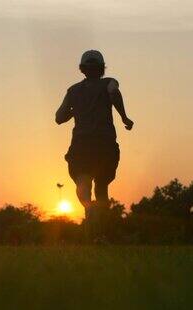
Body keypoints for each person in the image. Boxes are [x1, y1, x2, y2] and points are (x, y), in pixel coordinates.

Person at [55, 50, 134, 217]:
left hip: (81, 145)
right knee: (102, 186)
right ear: (102, 68)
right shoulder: (109, 82)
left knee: (83, 183)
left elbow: (59, 117)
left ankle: (89, 209)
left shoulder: (73, 91)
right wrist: (124, 118)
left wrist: (75, 109)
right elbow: (113, 92)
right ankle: (101, 229)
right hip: (104, 144)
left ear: (82, 69)